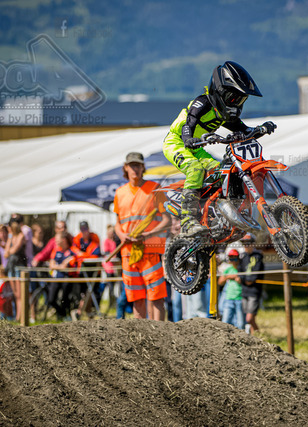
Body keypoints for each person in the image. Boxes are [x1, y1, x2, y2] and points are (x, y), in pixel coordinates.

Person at [163, 61, 274, 236]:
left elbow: (245, 130)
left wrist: (262, 128)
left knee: (221, 172)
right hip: (176, 142)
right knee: (195, 169)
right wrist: (189, 139)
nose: (236, 103)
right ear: (221, 92)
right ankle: (187, 221)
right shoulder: (203, 102)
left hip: (196, 147)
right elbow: (189, 123)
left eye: (241, 99)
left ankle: (214, 213)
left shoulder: (224, 114)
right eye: (234, 98)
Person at [113, 152, 170, 321]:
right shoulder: (120, 193)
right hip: (128, 253)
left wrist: (147, 234)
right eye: (132, 166)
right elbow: (117, 223)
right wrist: (122, 235)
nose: (135, 169)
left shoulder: (155, 189)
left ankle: (159, 332)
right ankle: (142, 335)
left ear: (143, 167)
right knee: (136, 298)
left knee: (156, 297)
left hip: (150, 250)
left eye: (138, 165)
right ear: (126, 167)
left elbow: (167, 220)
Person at [48, 232, 81, 320]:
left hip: (68, 278)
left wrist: (67, 263)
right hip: (57, 278)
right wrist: (61, 266)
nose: (56, 241)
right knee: (51, 299)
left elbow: (78, 257)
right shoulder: (56, 250)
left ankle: (66, 315)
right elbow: (51, 265)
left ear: (64, 240)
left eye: (57, 239)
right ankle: (61, 313)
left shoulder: (72, 250)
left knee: (65, 299)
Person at [240, 234, 264, 334]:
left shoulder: (258, 256)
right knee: (249, 318)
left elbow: (257, 272)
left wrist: (250, 280)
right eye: (244, 244)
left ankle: (258, 335)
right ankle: (256, 336)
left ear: (253, 244)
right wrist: (244, 280)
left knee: (249, 318)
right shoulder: (243, 257)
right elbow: (240, 271)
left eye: (248, 243)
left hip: (254, 291)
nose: (246, 246)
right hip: (244, 290)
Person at [4, 217, 27, 321]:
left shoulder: (21, 236)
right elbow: (6, 253)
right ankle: (18, 316)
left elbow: (14, 250)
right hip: (11, 267)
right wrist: (9, 245)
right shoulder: (11, 237)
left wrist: (9, 251)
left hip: (19, 267)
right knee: (15, 294)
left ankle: (20, 316)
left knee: (20, 294)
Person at [219, 249, 245, 329]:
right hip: (229, 298)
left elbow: (245, 280)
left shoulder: (241, 269)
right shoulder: (228, 269)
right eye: (231, 258)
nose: (233, 260)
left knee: (240, 323)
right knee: (225, 322)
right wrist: (229, 277)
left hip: (239, 299)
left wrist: (239, 279)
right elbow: (220, 282)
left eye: (235, 258)